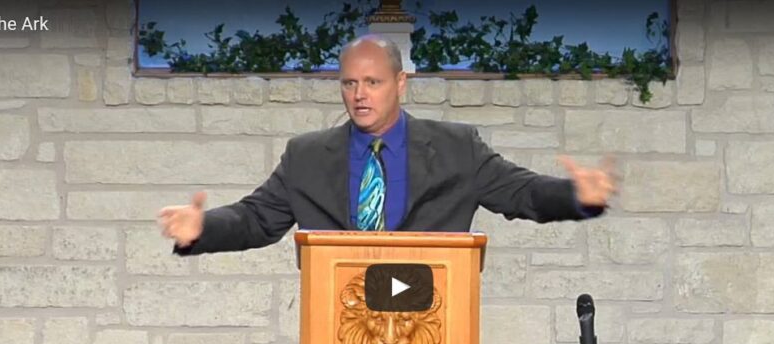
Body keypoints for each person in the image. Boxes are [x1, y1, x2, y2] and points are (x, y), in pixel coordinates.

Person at [159, 35, 617, 254]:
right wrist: (204, 228)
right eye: (349, 83)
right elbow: (256, 219)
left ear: (400, 83)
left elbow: (523, 193)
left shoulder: (458, 149)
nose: (359, 94)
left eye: (372, 82)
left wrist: (576, 195)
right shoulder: (307, 157)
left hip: (434, 326)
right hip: (338, 328)